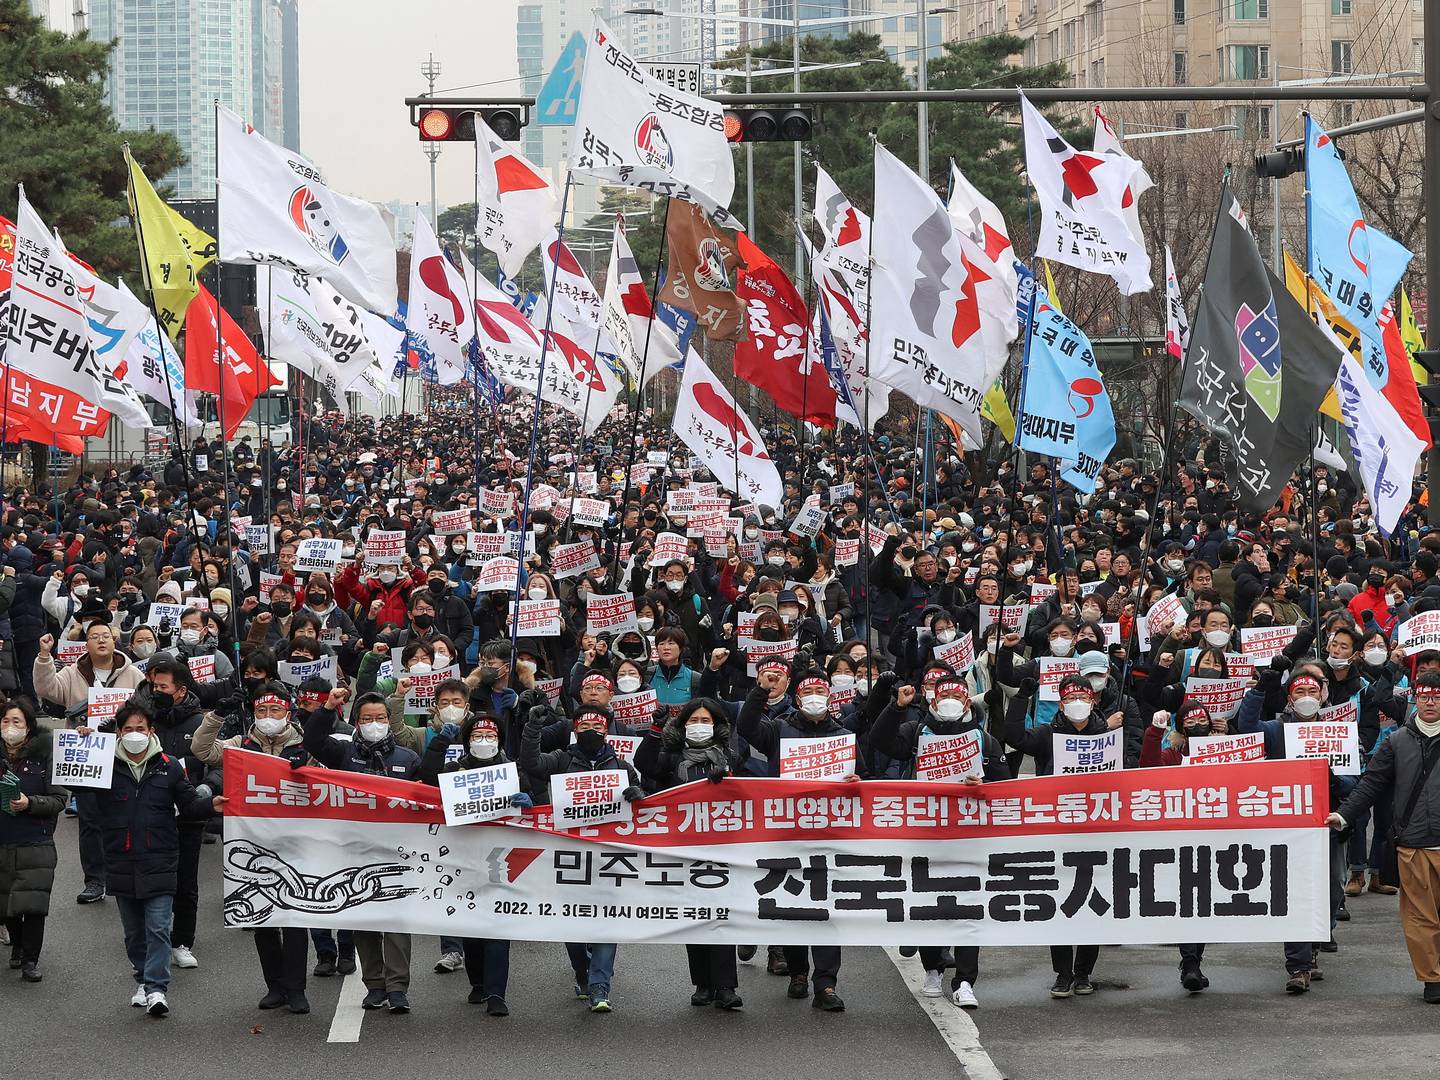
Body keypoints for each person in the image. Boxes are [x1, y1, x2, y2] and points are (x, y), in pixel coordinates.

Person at [77, 701, 225, 1017]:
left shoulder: (169, 766)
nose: (134, 734)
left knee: (159, 926)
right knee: (134, 933)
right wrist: (82, 743)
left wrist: (211, 804)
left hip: (160, 857)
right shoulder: (103, 765)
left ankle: (157, 988)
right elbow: (71, 782)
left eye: (140, 729)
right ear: (118, 732)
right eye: (128, 729)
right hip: (120, 858)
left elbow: (188, 805)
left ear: (151, 731)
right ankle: (143, 979)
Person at [191, 682, 312, 1013]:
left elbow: (329, 782)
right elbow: (203, 751)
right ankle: (274, 986)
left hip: (295, 844)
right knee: (262, 917)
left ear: (288, 713)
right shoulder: (241, 745)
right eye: (261, 711)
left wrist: (311, 766)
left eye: (274, 711)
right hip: (252, 845)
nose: (268, 717)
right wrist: (217, 715)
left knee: (295, 917)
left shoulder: (305, 744)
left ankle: (296, 988)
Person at [519, 700, 643, 1013]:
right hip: (567, 855)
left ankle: (600, 985)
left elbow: (644, 798)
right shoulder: (561, 759)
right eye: (585, 727)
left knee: (606, 922)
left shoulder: (621, 767)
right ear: (575, 730)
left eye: (597, 727)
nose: (591, 731)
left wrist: (638, 794)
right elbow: (532, 763)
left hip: (608, 857)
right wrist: (533, 728)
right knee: (572, 921)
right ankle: (582, 972)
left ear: (607, 731)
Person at [303, 687, 420, 1012]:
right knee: (364, 921)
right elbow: (313, 741)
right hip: (353, 852)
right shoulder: (343, 755)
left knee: (396, 924)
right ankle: (375, 985)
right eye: (367, 718)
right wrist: (327, 707)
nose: (374, 723)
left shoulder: (407, 758)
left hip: (396, 853)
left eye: (380, 718)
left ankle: (398, 989)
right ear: (356, 722)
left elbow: (427, 799)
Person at [1328, 670, 1440, 1003]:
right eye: (1424, 696)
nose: (1431, 702)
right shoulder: (1396, 740)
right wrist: (1345, 814)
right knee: (1420, 916)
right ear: (1415, 699)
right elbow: (1372, 783)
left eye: (1437, 697)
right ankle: (1432, 978)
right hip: (1414, 844)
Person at [634, 697, 742, 1010]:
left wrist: (728, 780)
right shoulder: (671, 757)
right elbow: (646, 765)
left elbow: (751, 789)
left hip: (723, 847)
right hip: (685, 848)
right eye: (693, 721)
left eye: (705, 721)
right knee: (695, 916)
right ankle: (703, 984)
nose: (699, 726)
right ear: (683, 726)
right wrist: (655, 730)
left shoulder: (729, 755)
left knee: (721, 916)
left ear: (717, 724)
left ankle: (725, 987)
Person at [0, 697, 66, 983]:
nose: (10, 727)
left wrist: (30, 803)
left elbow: (59, 799)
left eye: (17, 722)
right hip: (3, 840)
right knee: (6, 902)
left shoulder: (44, 756)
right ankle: (17, 943)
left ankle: (30, 960)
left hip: (35, 842)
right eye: (5, 721)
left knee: (34, 904)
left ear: (28, 728)